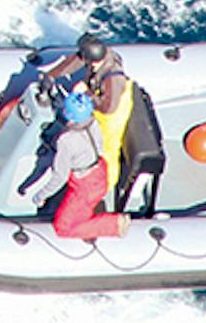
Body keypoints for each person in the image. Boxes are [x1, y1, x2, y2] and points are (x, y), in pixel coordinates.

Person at [19, 90, 129, 240]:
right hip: (99, 172)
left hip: (85, 187)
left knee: (63, 228)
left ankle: (114, 225)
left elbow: (60, 177)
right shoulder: (93, 122)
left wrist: (40, 195)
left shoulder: (66, 141)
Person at [42, 33, 137, 192]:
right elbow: (74, 62)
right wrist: (51, 76)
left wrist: (87, 93)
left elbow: (109, 108)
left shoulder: (113, 78)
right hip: (101, 99)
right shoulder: (96, 55)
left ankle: (106, 184)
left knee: (108, 148)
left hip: (112, 112)